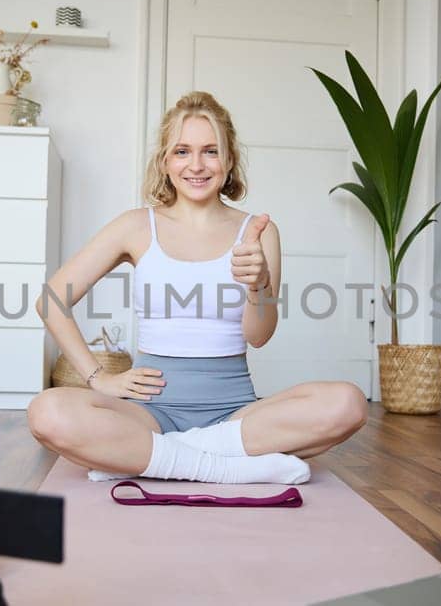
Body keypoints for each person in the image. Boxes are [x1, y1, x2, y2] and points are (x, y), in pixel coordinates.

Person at [26, 91, 368, 485]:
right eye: (183, 151)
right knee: (46, 413)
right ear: (165, 161)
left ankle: (151, 458)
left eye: (210, 151)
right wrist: (98, 377)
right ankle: (222, 466)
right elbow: (51, 300)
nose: (197, 165)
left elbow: (259, 337)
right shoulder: (136, 226)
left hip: (235, 413)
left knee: (348, 404)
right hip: (148, 413)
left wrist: (258, 284)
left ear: (229, 160)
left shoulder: (258, 232)